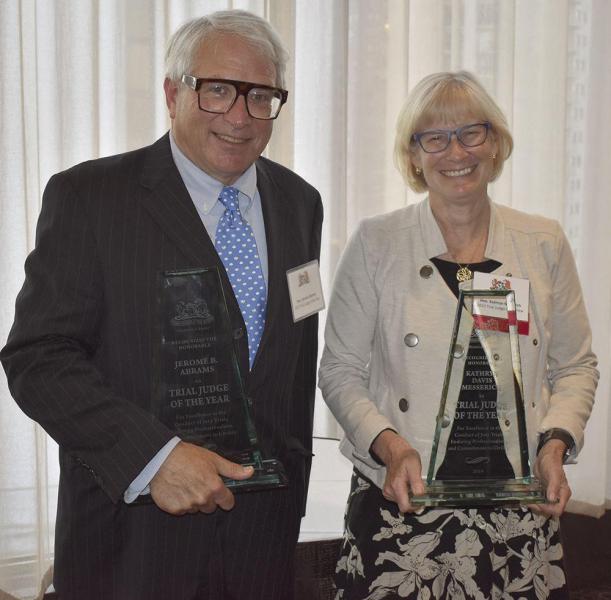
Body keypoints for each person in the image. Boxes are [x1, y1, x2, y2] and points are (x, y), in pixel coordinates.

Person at [1, 10, 322, 600]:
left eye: (260, 97)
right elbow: (38, 358)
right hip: (134, 543)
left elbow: (293, 361)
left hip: (263, 543)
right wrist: (155, 458)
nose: (239, 116)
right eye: (218, 90)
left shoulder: (300, 204)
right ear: (173, 94)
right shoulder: (91, 197)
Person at [318, 71, 597, 600]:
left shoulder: (542, 243)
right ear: (414, 154)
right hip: (403, 508)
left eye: (472, 132)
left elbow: (576, 367)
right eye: (435, 137)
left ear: (494, 144)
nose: (456, 151)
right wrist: (390, 445)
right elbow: (339, 372)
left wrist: (554, 445)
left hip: (518, 511)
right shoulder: (378, 243)